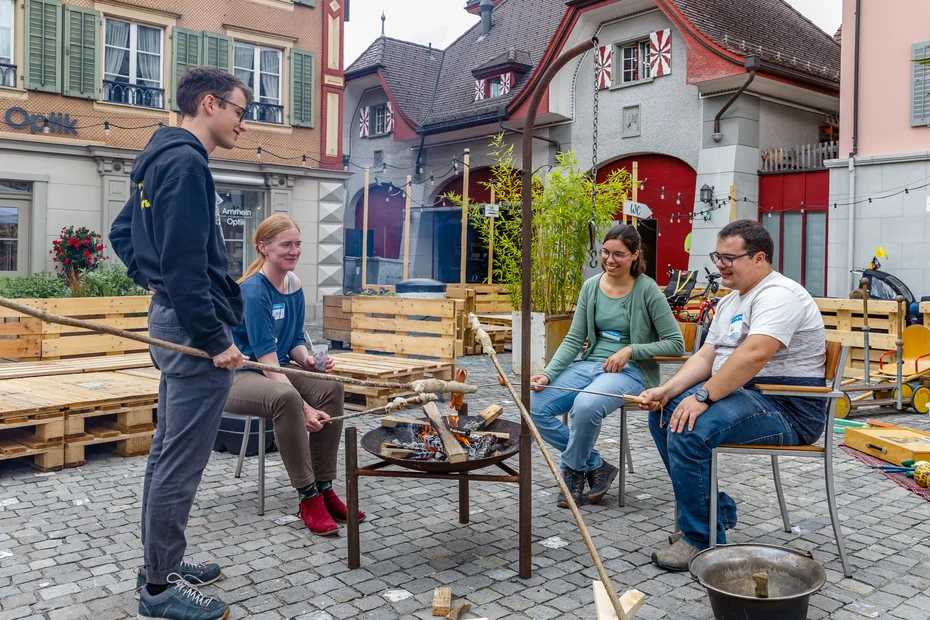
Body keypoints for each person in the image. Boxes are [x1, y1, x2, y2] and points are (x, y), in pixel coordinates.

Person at [109, 67, 252, 620]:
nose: (243, 122)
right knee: (180, 462)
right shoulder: (187, 163)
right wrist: (215, 338)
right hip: (194, 330)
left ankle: (160, 562)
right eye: (240, 110)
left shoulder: (157, 159)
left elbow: (123, 235)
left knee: (167, 452)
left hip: (171, 321)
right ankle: (161, 586)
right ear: (210, 104)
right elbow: (188, 265)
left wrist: (155, 283)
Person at [639, 220, 827, 572]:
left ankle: (703, 539)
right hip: (748, 394)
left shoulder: (779, 295)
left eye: (729, 257)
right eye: (717, 256)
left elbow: (755, 353)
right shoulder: (731, 301)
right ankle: (715, 511)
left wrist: (704, 397)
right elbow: (706, 357)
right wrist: (668, 390)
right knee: (664, 413)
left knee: (689, 428)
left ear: (759, 258)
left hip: (786, 406)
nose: (720, 264)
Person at [223, 214, 365, 536]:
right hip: (242, 373)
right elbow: (266, 360)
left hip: (275, 366)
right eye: (286, 244)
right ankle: (307, 495)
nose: (294, 250)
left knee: (331, 387)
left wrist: (311, 363)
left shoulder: (294, 284)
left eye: (297, 244)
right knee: (287, 397)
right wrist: (304, 408)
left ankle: (325, 485)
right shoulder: (253, 291)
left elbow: (295, 341)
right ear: (264, 248)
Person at [530, 224, 685, 507]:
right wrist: (547, 374)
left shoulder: (648, 290)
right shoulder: (591, 287)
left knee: (586, 406)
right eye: (605, 252)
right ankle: (596, 464)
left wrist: (631, 350)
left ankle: (574, 472)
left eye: (619, 254)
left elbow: (676, 343)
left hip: (631, 372)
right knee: (533, 403)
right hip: (590, 365)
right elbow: (575, 338)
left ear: (635, 255)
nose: (610, 260)